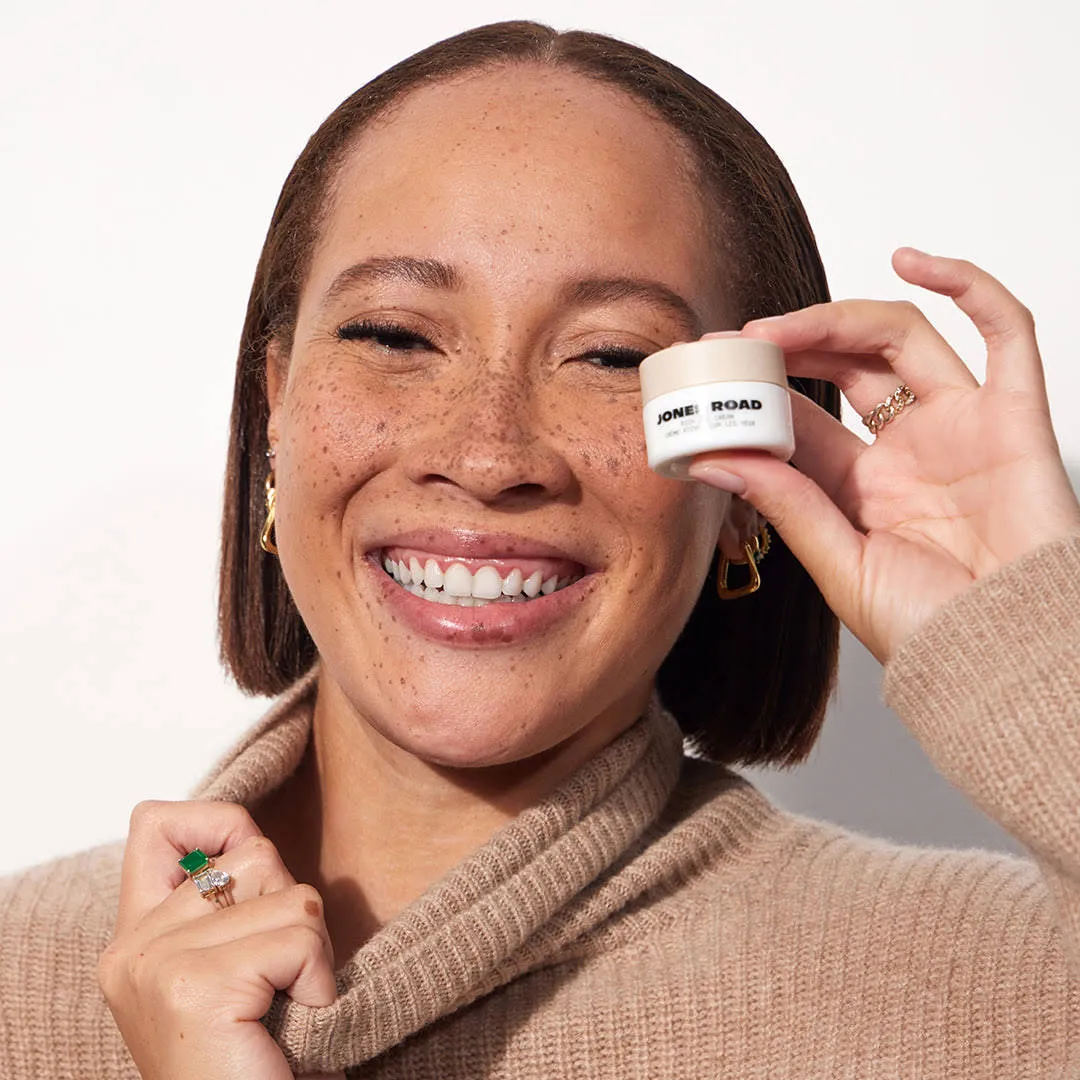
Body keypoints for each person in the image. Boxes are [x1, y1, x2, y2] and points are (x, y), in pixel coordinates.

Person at [2, 19, 1078, 1079]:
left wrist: (1033, 634)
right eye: (394, 336)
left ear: (752, 469)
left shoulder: (988, 991)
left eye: (612, 356)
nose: (487, 455)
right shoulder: (20, 981)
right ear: (275, 405)